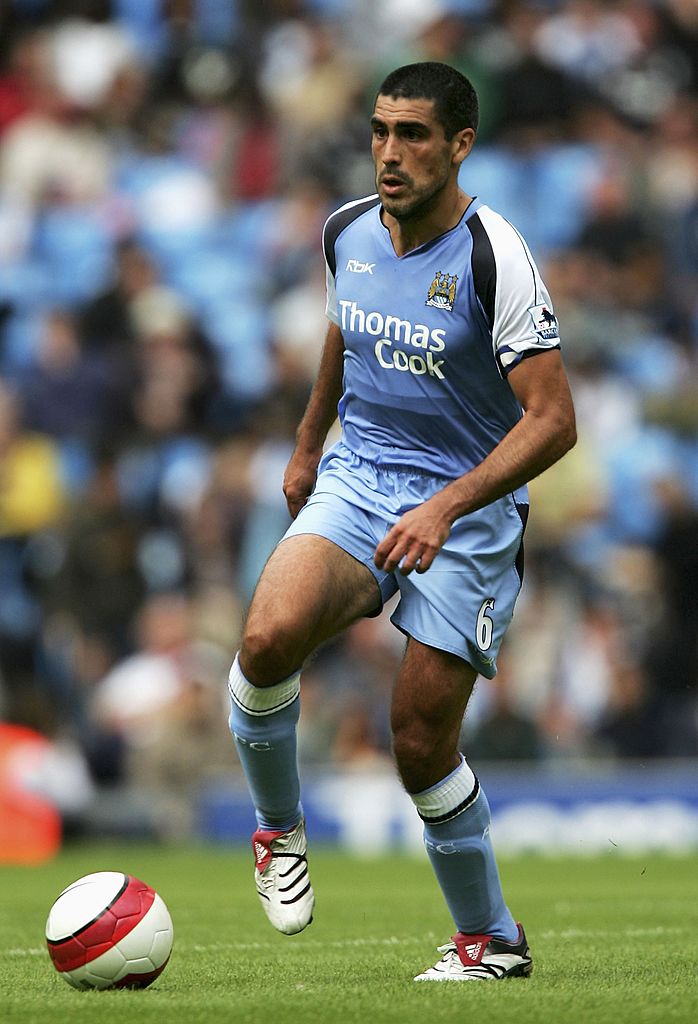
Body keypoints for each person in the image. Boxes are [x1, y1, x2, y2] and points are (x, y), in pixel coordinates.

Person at [227, 61, 576, 982]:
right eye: (381, 130)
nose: (390, 151)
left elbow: (554, 419)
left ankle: (491, 942)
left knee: (419, 742)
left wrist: (447, 505)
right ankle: (278, 830)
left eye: (414, 134)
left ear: (461, 144)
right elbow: (344, 326)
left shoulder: (495, 252)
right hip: (362, 474)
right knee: (265, 640)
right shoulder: (347, 229)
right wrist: (308, 443)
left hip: (469, 506)